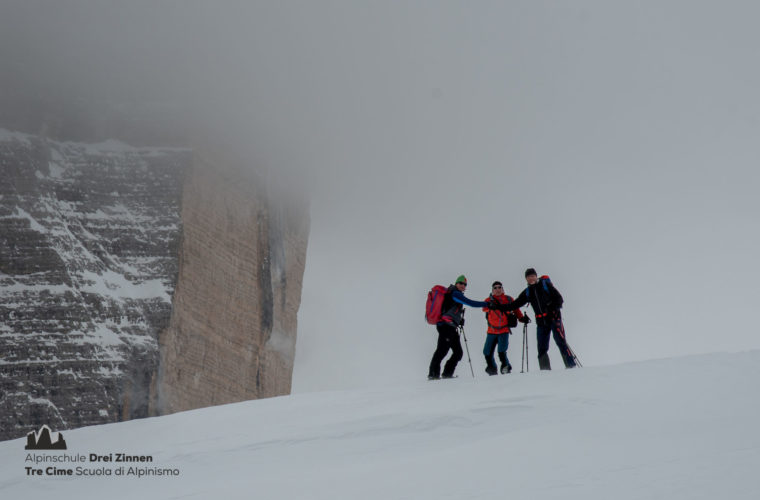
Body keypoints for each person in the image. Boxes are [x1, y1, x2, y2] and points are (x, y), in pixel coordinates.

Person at [495, 268, 576, 370]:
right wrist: (498, 307)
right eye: (529, 276)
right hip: (541, 323)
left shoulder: (546, 285)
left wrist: (553, 308)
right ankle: (545, 371)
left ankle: (571, 366)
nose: (531, 278)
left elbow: (559, 299)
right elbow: (515, 304)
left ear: (536, 276)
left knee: (561, 342)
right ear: (526, 279)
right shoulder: (528, 291)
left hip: (554, 319)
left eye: (533, 276)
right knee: (542, 348)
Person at [429, 275, 490, 380]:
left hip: (451, 327)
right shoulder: (455, 293)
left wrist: (458, 320)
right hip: (446, 326)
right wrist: (487, 304)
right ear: (456, 283)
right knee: (442, 350)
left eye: (464, 284)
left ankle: (447, 374)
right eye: (461, 283)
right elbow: (470, 303)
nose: (463, 285)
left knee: (458, 352)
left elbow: (451, 310)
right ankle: (433, 374)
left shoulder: (454, 294)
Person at [482, 281, 530, 375]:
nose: (497, 289)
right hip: (492, 331)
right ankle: (492, 368)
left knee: (501, 351)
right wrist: (490, 306)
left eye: (499, 287)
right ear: (492, 290)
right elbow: (484, 309)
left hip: (504, 330)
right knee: (487, 352)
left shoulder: (508, 299)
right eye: (495, 288)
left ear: (502, 289)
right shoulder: (488, 300)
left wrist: (522, 318)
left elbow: (516, 309)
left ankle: (505, 367)